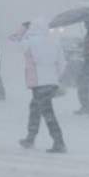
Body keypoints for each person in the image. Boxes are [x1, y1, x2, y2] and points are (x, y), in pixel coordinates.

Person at [12, 19, 67, 153]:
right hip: (51, 83)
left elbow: (14, 41)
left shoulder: (30, 42)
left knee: (47, 113)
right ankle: (30, 139)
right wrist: (55, 77)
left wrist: (22, 29)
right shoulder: (54, 42)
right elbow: (63, 63)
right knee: (35, 109)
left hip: (38, 83)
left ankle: (59, 142)